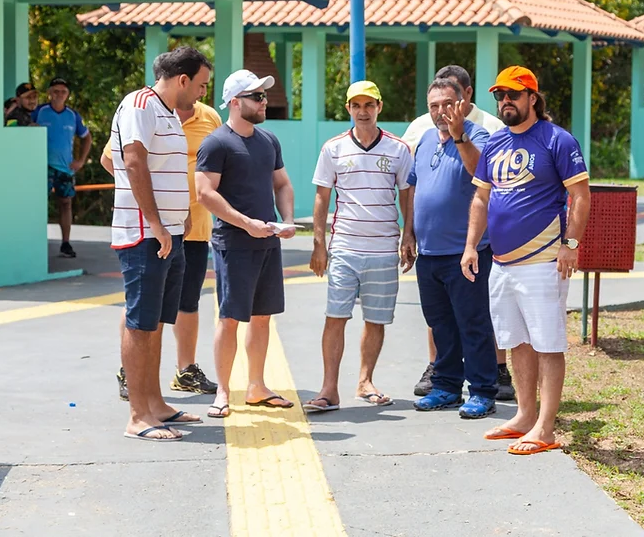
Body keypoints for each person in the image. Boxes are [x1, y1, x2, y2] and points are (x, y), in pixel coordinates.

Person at [461, 65, 590, 455]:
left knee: (548, 343)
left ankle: (546, 428)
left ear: (533, 98)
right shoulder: (497, 143)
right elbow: (481, 197)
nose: (505, 102)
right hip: (501, 262)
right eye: (501, 95)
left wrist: (571, 243)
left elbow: (580, 195)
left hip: (543, 261)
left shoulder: (558, 140)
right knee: (517, 341)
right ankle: (524, 415)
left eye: (514, 95)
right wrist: (471, 246)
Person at [103, 67, 223, 400]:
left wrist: (177, 215)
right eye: (200, 85)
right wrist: (153, 217)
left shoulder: (175, 113)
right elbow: (130, 162)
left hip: (180, 231)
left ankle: (156, 399)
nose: (202, 92)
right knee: (141, 316)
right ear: (182, 79)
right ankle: (139, 406)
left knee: (163, 316)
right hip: (148, 233)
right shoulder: (140, 105)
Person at [401, 65, 513, 401]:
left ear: (463, 102)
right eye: (434, 105)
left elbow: (479, 171)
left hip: (467, 252)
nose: (440, 112)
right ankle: (447, 386)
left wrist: (460, 133)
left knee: (473, 323)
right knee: (440, 324)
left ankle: (481, 390)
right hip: (429, 254)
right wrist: (407, 234)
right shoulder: (422, 140)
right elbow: (414, 190)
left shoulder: (477, 135)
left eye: (447, 104)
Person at [304, 80, 414, 412]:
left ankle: (365, 381)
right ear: (348, 109)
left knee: (376, 319)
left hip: (383, 248)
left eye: (369, 105)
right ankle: (329, 389)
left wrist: (409, 236)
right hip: (345, 248)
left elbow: (407, 196)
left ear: (379, 107)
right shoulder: (333, 148)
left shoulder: (398, 149)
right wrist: (319, 244)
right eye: (356, 106)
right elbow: (322, 197)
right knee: (335, 316)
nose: (362, 112)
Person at [195, 69, 299, 419]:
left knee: (262, 317)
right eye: (257, 96)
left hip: (267, 242)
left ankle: (256, 386)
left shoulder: (268, 141)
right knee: (230, 318)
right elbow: (204, 193)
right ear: (236, 102)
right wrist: (246, 224)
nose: (264, 101)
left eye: (264, 95)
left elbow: (282, 184)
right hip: (234, 243)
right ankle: (223, 391)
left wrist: (284, 221)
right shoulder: (216, 143)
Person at [32, 77, 92, 258]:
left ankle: (65, 243)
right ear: (49, 93)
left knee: (65, 204)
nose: (59, 95)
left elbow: (86, 137)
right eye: (55, 91)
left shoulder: (72, 115)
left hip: (65, 168)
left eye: (63, 92)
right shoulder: (39, 112)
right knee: (38, 205)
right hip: (42, 167)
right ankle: (35, 242)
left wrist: (81, 160)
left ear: (68, 95)